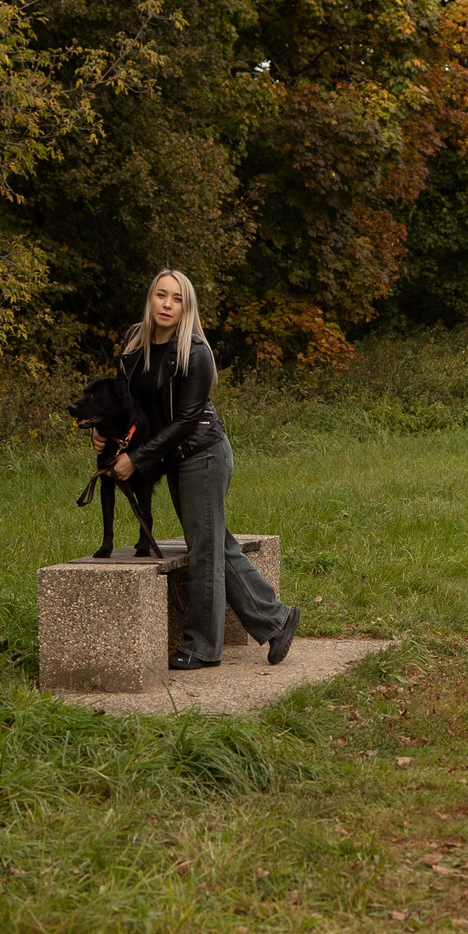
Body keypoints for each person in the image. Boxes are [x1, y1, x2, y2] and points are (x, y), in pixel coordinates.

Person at [105, 269, 300, 669]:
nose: (167, 304)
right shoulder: (133, 341)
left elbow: (185, 421)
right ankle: (276, 618)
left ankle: (200, 646)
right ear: (150, 298)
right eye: (161, 295)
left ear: (186, 307)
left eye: (177, 299)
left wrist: (137, 459)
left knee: (205, 550)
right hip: (171, 456)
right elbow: (126, 402)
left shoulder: (195, 352)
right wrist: (107, 438)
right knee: (213, 542)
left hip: (202, 454)